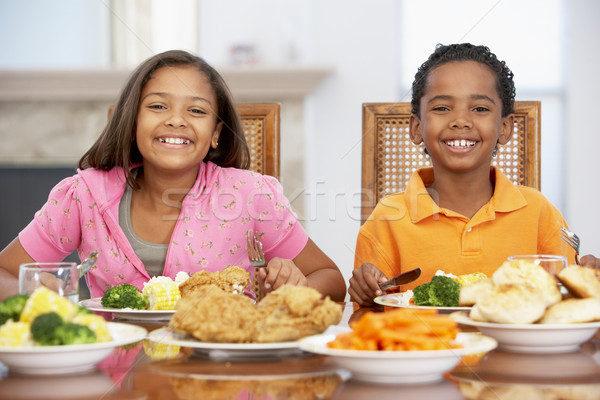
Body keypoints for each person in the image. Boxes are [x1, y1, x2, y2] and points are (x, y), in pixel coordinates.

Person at [0, 50, 346, 302]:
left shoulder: (250, 194)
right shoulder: (83, 195)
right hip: (117, 375)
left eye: (196, 111)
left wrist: (294, 287)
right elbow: (5, 271)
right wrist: (27, 289)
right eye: (157, 106)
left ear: (215, 134)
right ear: (132, 122)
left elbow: (331, 278)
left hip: (225, 374)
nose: (176, 120)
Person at [349, 43, 600, 306]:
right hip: (422, 346)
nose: (461, 120)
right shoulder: (387, 218)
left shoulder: (538, 212)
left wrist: (588, 281)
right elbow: (368, 320)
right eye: (442, 108)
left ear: (504, 128)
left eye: (480, 109)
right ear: (416, 128)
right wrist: (367, 294)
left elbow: (569, 301)